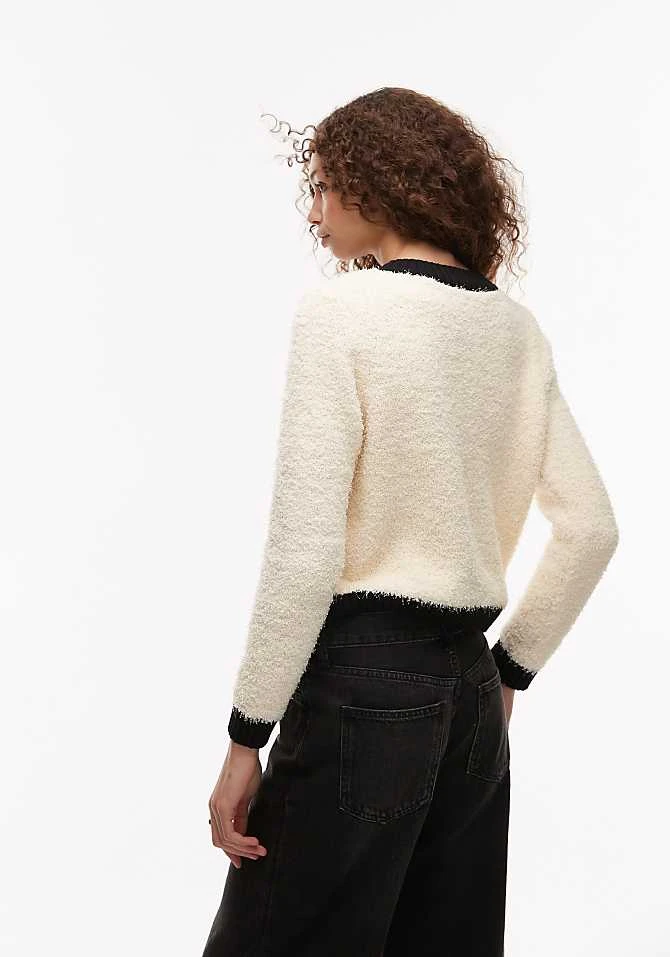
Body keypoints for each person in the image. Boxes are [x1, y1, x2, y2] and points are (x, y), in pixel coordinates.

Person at [202, 87, 619, 956]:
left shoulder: (342, 314)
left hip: (362, 688)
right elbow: (590, 527)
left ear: (376, 182)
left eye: (323, 187)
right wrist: (506, 673)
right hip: (469, 697)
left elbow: (305, 552)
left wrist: (247, 735)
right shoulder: (514, 332)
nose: (314, 214)